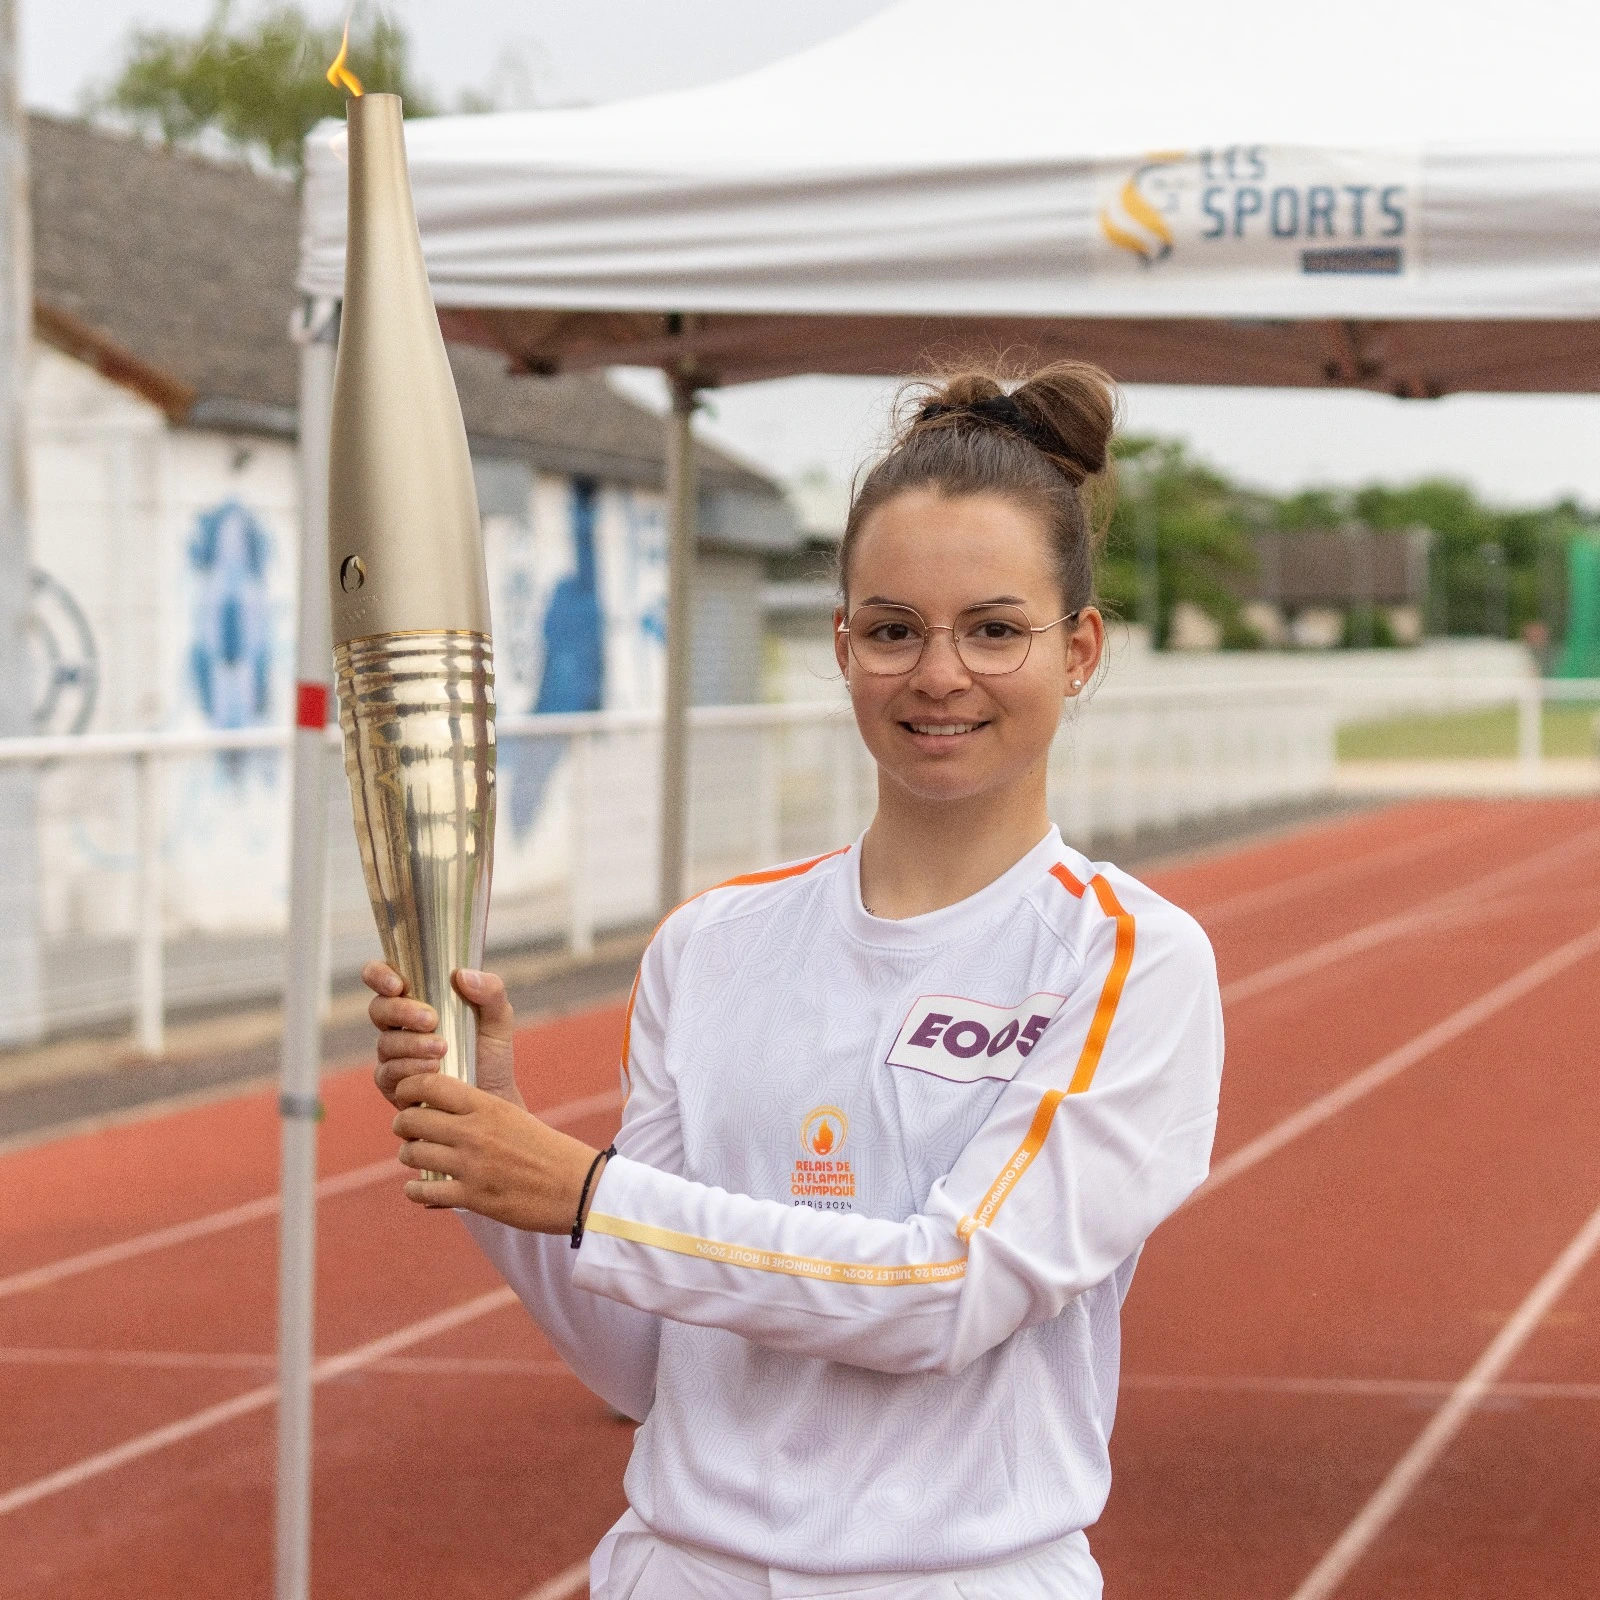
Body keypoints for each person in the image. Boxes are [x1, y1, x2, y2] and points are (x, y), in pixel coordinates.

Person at [365, 361, 1224, 1599]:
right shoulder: (711, 943)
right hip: (678, 1570)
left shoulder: (1123, 958)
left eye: (994, 627)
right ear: (841, 643)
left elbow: (948, 1290)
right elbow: (643, 1361)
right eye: (892, 629)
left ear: (1078, 649)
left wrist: (591, 1196)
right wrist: (498, 1155)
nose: (938, 673)